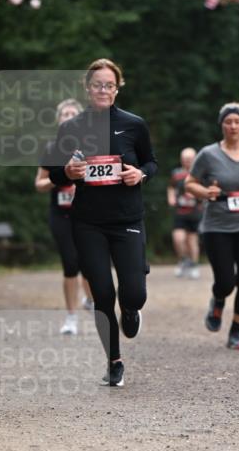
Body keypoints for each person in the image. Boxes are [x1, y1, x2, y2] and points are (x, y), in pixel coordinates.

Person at [46, 58, 157, 387]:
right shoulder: (71, 128)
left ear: (117, 87)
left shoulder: (134, 124)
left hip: (127, 220)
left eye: (109, 85)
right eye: (98, 85)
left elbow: (151, 162)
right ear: (87, 88)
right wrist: (66, 172)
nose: (103, 90)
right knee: (102, 294)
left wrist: (140, 174)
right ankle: (114, 360)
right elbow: (53, 171)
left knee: (133, 293)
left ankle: (131, 310)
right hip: (88, 222)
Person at [184, 102, 239, 350]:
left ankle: (236, 332)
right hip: (217, 226)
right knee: (225, 280)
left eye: (237, 121)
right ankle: (218, 299)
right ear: (222, 125)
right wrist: (205, 191)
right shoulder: (208, 154)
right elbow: (189, 183)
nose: (233, 126)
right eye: (228, 122)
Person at [35, 98, 93, 334]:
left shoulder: (92, 146)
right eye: (64, 114)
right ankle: (71, 317)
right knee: (71, 264)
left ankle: (90, 300)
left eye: (72, 114)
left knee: (90, 263)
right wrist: (60, 178)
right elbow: (39, 184)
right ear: (59, 120)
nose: (68, 117)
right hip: (61, 215)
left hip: (89, 214)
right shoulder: (52, 149)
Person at [167, 147, 202, 278]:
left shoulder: (200, 174)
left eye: (190, 159)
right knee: (178, 239)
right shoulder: (176, 174)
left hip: (195, 212)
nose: (187, 161)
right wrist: (170, 198)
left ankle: (194, 265)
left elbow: (206, 190)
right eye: (185, 159)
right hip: (180, 212)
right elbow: (171, 187)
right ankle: (183, 260)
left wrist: (197, 195)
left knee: (192, 240)